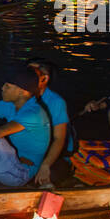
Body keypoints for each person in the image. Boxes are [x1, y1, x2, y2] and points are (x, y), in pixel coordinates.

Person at [25, 56, 73, 185]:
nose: (24, 76)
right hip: (29, 152)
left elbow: (59, 139)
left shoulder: (56, 102)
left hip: (54, 155)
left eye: (30, 73)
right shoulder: (19, 96)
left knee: (45, 179)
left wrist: (45, 165)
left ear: (44, 78)